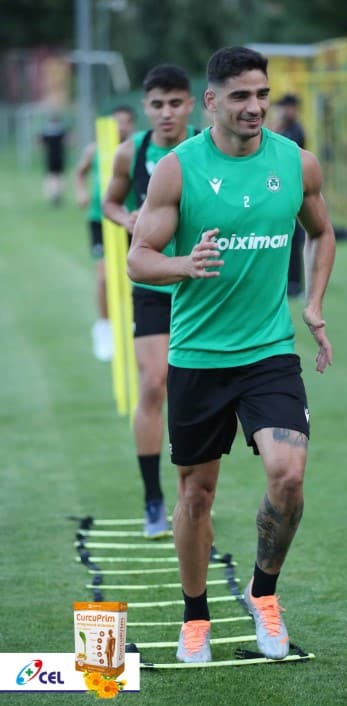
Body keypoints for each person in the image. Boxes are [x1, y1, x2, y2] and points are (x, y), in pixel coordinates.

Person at [127, 46, 336, 663]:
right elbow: (138, 257)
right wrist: (183, 266)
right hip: (198, 355)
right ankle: (196, 617)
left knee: (288, 475)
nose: (255, 106)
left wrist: (314, 303)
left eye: (262, 94)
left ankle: (263, 594)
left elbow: (322, 232)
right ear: (212, 101)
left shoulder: (297, 163)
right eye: (241, 95)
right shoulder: (177, 169)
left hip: (269, 351)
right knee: (196, 495)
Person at [103, 65, 196, 539]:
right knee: (155, 382)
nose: (166, 113)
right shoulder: (131, 152)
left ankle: (191, 497)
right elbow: (110, 202)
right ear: (145, 107)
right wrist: (128, 220)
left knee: (191, 392)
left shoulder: (205, 148)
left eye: (175, 103)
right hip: (155, 287)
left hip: (201, 288)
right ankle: (153, 497)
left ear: (191, 105)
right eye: (157, 104)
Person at [75, 106, 136, 362]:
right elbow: (80, 172)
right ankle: (104, 327)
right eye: (116, 122)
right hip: (99, 219)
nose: (121, 127)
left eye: (125, 122)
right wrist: (81, 191)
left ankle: (135, 322)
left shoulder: (136, 149)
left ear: (132, 125)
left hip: (129, 219)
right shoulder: (95, 149)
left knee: (136, 274)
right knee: (103, 277)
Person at [274, 93, 306, 297]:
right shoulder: (284, 128)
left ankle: (295, 284)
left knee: (294, 239)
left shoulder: (296, 131)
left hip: (292, 190)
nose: (284, 111)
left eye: (287, 107)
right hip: (282, 191)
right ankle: (287, 282)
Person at [39, 113, 69, 206]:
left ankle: (52, 194)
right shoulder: (61, 130)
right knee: (59, 176)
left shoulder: (46, 131)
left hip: (50, 157)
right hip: (60, 156)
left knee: (51, 176)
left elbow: (40, 144)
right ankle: (58, 193)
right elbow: (68, 141)